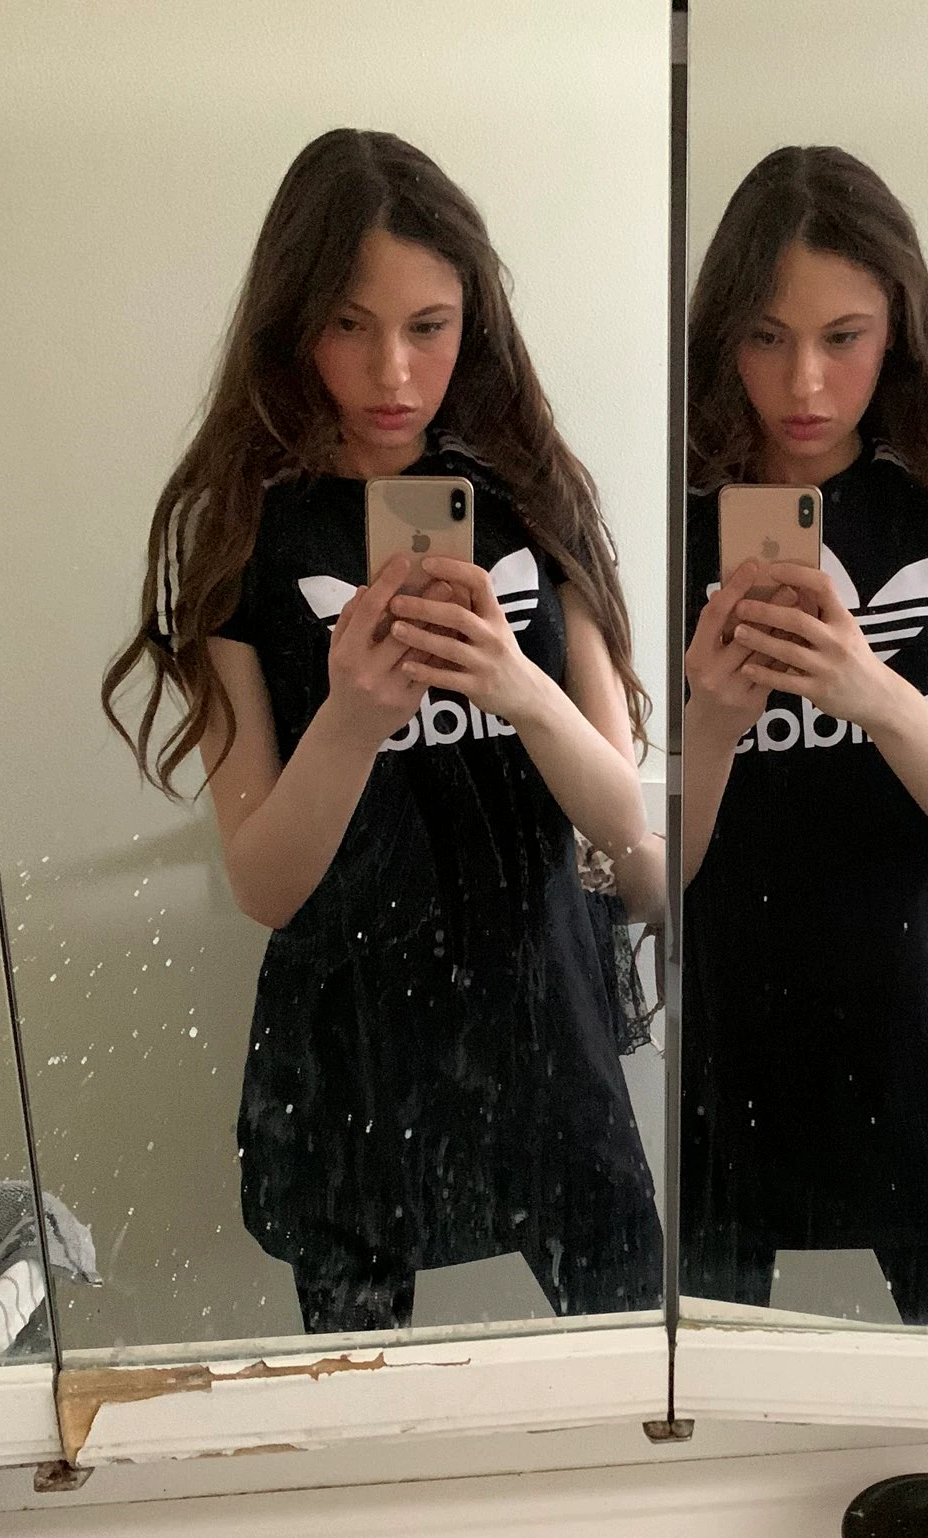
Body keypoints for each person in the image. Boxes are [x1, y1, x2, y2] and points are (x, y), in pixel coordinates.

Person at [103, 129, 663, 1334]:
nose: (393, 370)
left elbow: (622, 814)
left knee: (628, 1370)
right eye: (349, 324)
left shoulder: (533, 499)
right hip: (348, 1056)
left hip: (546, 1028)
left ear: (476, 320)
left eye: (430, 324)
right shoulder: (240, 534)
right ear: (293, 320)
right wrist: (352, 717)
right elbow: (265, 883)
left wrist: (516, 685)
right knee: (366, 1407)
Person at [681, 144, 928, 1330]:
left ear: (899, 327)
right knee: (708, 1420)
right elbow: (658, 867)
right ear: (722, 336)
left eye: (842, 337)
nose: (803, 381)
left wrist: (872, 690)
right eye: (765, 337)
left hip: (921, 1049)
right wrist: (711, 724)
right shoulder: (672, 518)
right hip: (733, 1062)